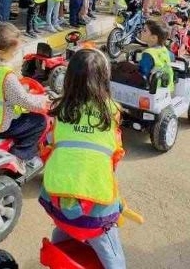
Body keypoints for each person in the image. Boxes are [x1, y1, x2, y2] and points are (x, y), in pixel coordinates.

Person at [38, 48, 127, 269]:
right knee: (113, 255)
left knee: (65, 220)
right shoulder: (113, 112)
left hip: (56, 206)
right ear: (104, 79)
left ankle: (59, 248)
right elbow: (116, 155)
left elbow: (47, 146)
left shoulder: (60, 110)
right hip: (94, 218)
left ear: (68, 79)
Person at [0, 23, 49, 171]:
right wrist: (45, 102)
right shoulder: (6, 75)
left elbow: (1, 91)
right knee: (40, 122)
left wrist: (22, 89)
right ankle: (21, 156)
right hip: (2, 126)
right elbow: (24, 100)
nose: (15, 54)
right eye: (13, 51)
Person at [138, 19, 174, 88]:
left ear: (153, 38)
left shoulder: (148, 54)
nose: (141, 32)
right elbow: (173, 58)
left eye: (144, 30)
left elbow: (142, 74)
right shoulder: (166, 51)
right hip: (166, 87)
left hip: (151, 90)